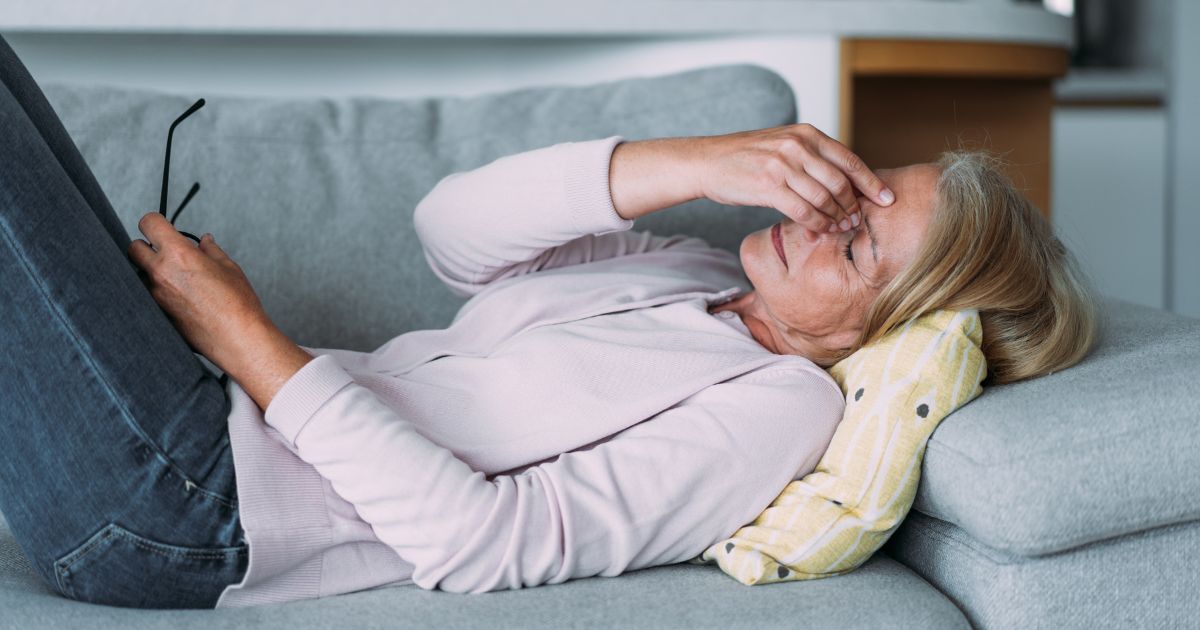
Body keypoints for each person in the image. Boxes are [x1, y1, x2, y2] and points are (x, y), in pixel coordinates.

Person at [0, 33, 1097, 610]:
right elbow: (451, 233)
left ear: (887, 330)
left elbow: (485, 546)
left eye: (854, 242)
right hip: (204, 421)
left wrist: (248, 338)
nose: (818, 216)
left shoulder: (777, 412)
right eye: (853, 187)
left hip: (192, 512)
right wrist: (699, 159)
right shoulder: (691, 271)